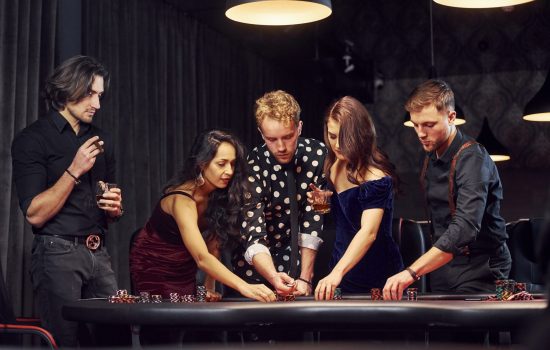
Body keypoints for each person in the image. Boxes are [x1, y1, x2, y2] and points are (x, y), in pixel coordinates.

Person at [11, 55, 124, 347]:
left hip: (99, 255)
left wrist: (115, 207)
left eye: (99, 95)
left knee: (116, 337)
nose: (97, 104)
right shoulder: (32, 139)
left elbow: (110, 205)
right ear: (67, 89)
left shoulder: (103, 139)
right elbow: (35, 215)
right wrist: (74, 170)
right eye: (89, 94)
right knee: (68, 342)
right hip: (57, 254)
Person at [383, 79, 511, 300]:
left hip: (481, 268)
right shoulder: (432, 155)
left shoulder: (473, 157)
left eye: (429, 125)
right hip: (444, 268)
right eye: (415, 125)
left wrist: (411, 272)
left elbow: (465, 227)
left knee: (464, 332)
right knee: (439, 331)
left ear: (451, 117)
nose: (420, 133)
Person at [130, 129, 276, 303]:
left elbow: (214, 244)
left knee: (196, 319)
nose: (229, 171)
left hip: (185, 265)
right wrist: (244, 286)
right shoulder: (182, 200)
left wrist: (209, 287)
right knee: (166, 321)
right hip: (153, 263)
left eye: (232, 163)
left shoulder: (220, 194)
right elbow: (201, 257)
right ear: (201, 163)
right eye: (221, 164)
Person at [233, 90, 328, 296]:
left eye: (288, 136)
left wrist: (305, 277)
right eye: (272, 139)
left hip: (305, 265)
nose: (281, 147)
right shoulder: (253, 166)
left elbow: (318, 214)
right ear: (261, 133)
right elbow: (253, 233)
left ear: (299, 127)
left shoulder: (318, 154)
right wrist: (273, 277)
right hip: (258, 270)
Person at [313, 96, 403, 300]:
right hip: (341, 266)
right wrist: (322, 204)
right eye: (332, 136)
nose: (336, 145)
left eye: (343, 138)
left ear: (360, 135)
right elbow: (343, 218)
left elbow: (368, 232)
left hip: (377, 274)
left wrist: (337, 272)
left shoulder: (376, 178)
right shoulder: (334, 166)